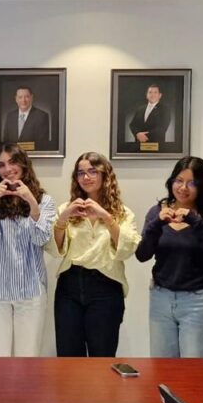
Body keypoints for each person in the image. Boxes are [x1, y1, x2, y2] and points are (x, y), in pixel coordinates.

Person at [0, 144, 56, 403]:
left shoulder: (44, 199)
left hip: (30, 288)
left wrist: (30, 202)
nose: (7, 169)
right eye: (1, 165)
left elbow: (42, 238)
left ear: (24, 165)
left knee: (27, 357)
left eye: (12, 163)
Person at [137, 157, 203, 358]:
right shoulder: (157, 212)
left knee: (195, 369)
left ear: (202, 186)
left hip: (198, 301)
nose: (183, 188)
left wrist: (195, 222)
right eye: (179, 181)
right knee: (163, 368)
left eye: (192, 183)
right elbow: (142, 255)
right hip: (161, 299)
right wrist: (156, 225)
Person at [48, 152, 140, 357]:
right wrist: (64, 217)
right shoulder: (67, 208)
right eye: (81, 173)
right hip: (69, 285)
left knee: (102, 356)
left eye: (92, 171)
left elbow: (128, 248)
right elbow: (54, 249)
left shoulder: (122, 212)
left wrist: (105, 216)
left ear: (105, 175)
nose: (86, 177)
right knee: (68, 357)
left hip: (105, 285)